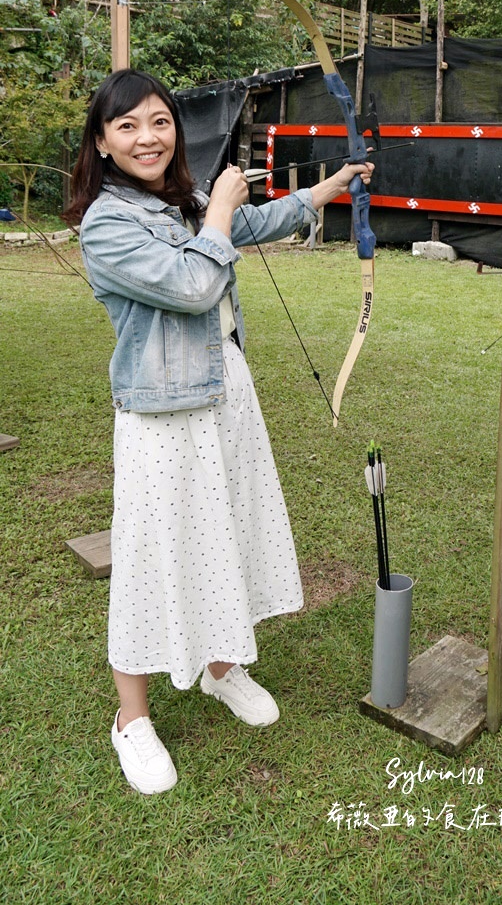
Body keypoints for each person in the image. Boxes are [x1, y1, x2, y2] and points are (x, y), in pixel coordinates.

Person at [65, 68, 373, 795]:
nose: (149, 137)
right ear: (103, 144)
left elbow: (250, 225)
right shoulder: (107, 223)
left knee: (223, 531)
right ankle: (131, 719)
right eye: (128, 126)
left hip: (225, 394)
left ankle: (221, 665)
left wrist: (329, 189)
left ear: (177, 128)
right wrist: (218, 215)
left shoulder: (183, 200)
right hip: (160, 412)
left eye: (160, 121)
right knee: (151, 554)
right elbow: (194, 284)